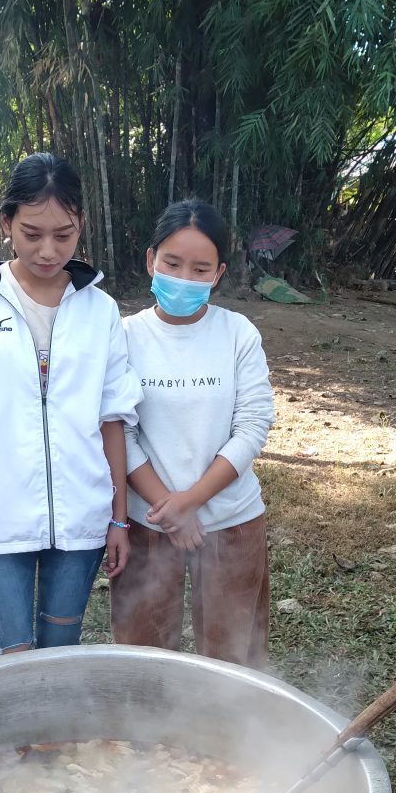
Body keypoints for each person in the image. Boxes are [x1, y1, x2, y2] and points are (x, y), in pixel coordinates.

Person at [0, 152, 140, 656]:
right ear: (6, 222)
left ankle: (56, 740)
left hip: (81, 517)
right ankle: (15, 741)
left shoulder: (99, 310)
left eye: (64, 234)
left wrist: (118, 519)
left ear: (80, 224)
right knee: (9, 662)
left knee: (60, 654)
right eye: (32, 233)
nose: (47, 249)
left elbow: (112, 419)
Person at [110, 200, 275, 668]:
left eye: (200, 268)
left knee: (232, 659)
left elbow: (252, 424)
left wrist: (192, 501)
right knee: (143, 653)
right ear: (150, 261)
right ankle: (144, 740)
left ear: (219, 273)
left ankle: (226, 742)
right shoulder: (123, 336)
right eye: (172, 263)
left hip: (231, 520)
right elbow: (120, 429)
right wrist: (168, 507)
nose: (184, 278)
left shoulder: (237, 334)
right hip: (148, 522)